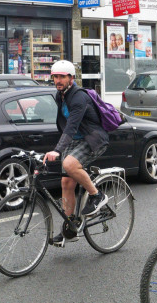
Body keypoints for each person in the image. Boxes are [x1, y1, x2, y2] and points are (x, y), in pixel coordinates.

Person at [43, 60, 109, 244]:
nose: (58, 80)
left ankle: (97, 195)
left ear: (71, 78)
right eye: (55, 76)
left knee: (69, 164)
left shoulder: (79, 97)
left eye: (62, 77)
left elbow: (71, 126)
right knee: (66, 182)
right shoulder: (60, 95)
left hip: (93, 139)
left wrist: (57, 150)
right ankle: (69, 228)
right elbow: (65, 125)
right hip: (76, 140)